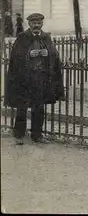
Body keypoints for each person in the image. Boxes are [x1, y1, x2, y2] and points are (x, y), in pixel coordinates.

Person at [5, 12, 65, 145]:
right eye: (34, 23)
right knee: (22, 108)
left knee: (39, 108)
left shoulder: (46, 37)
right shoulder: (22, 37)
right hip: (25, 80)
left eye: (39, 23)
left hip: (40, 79)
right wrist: (28, 54)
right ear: (29, 24)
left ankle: (36, 135)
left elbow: (55, 57)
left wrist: (48, 53)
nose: (36, 25)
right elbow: (15, 57)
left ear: (42, 24)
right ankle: (19, 135)